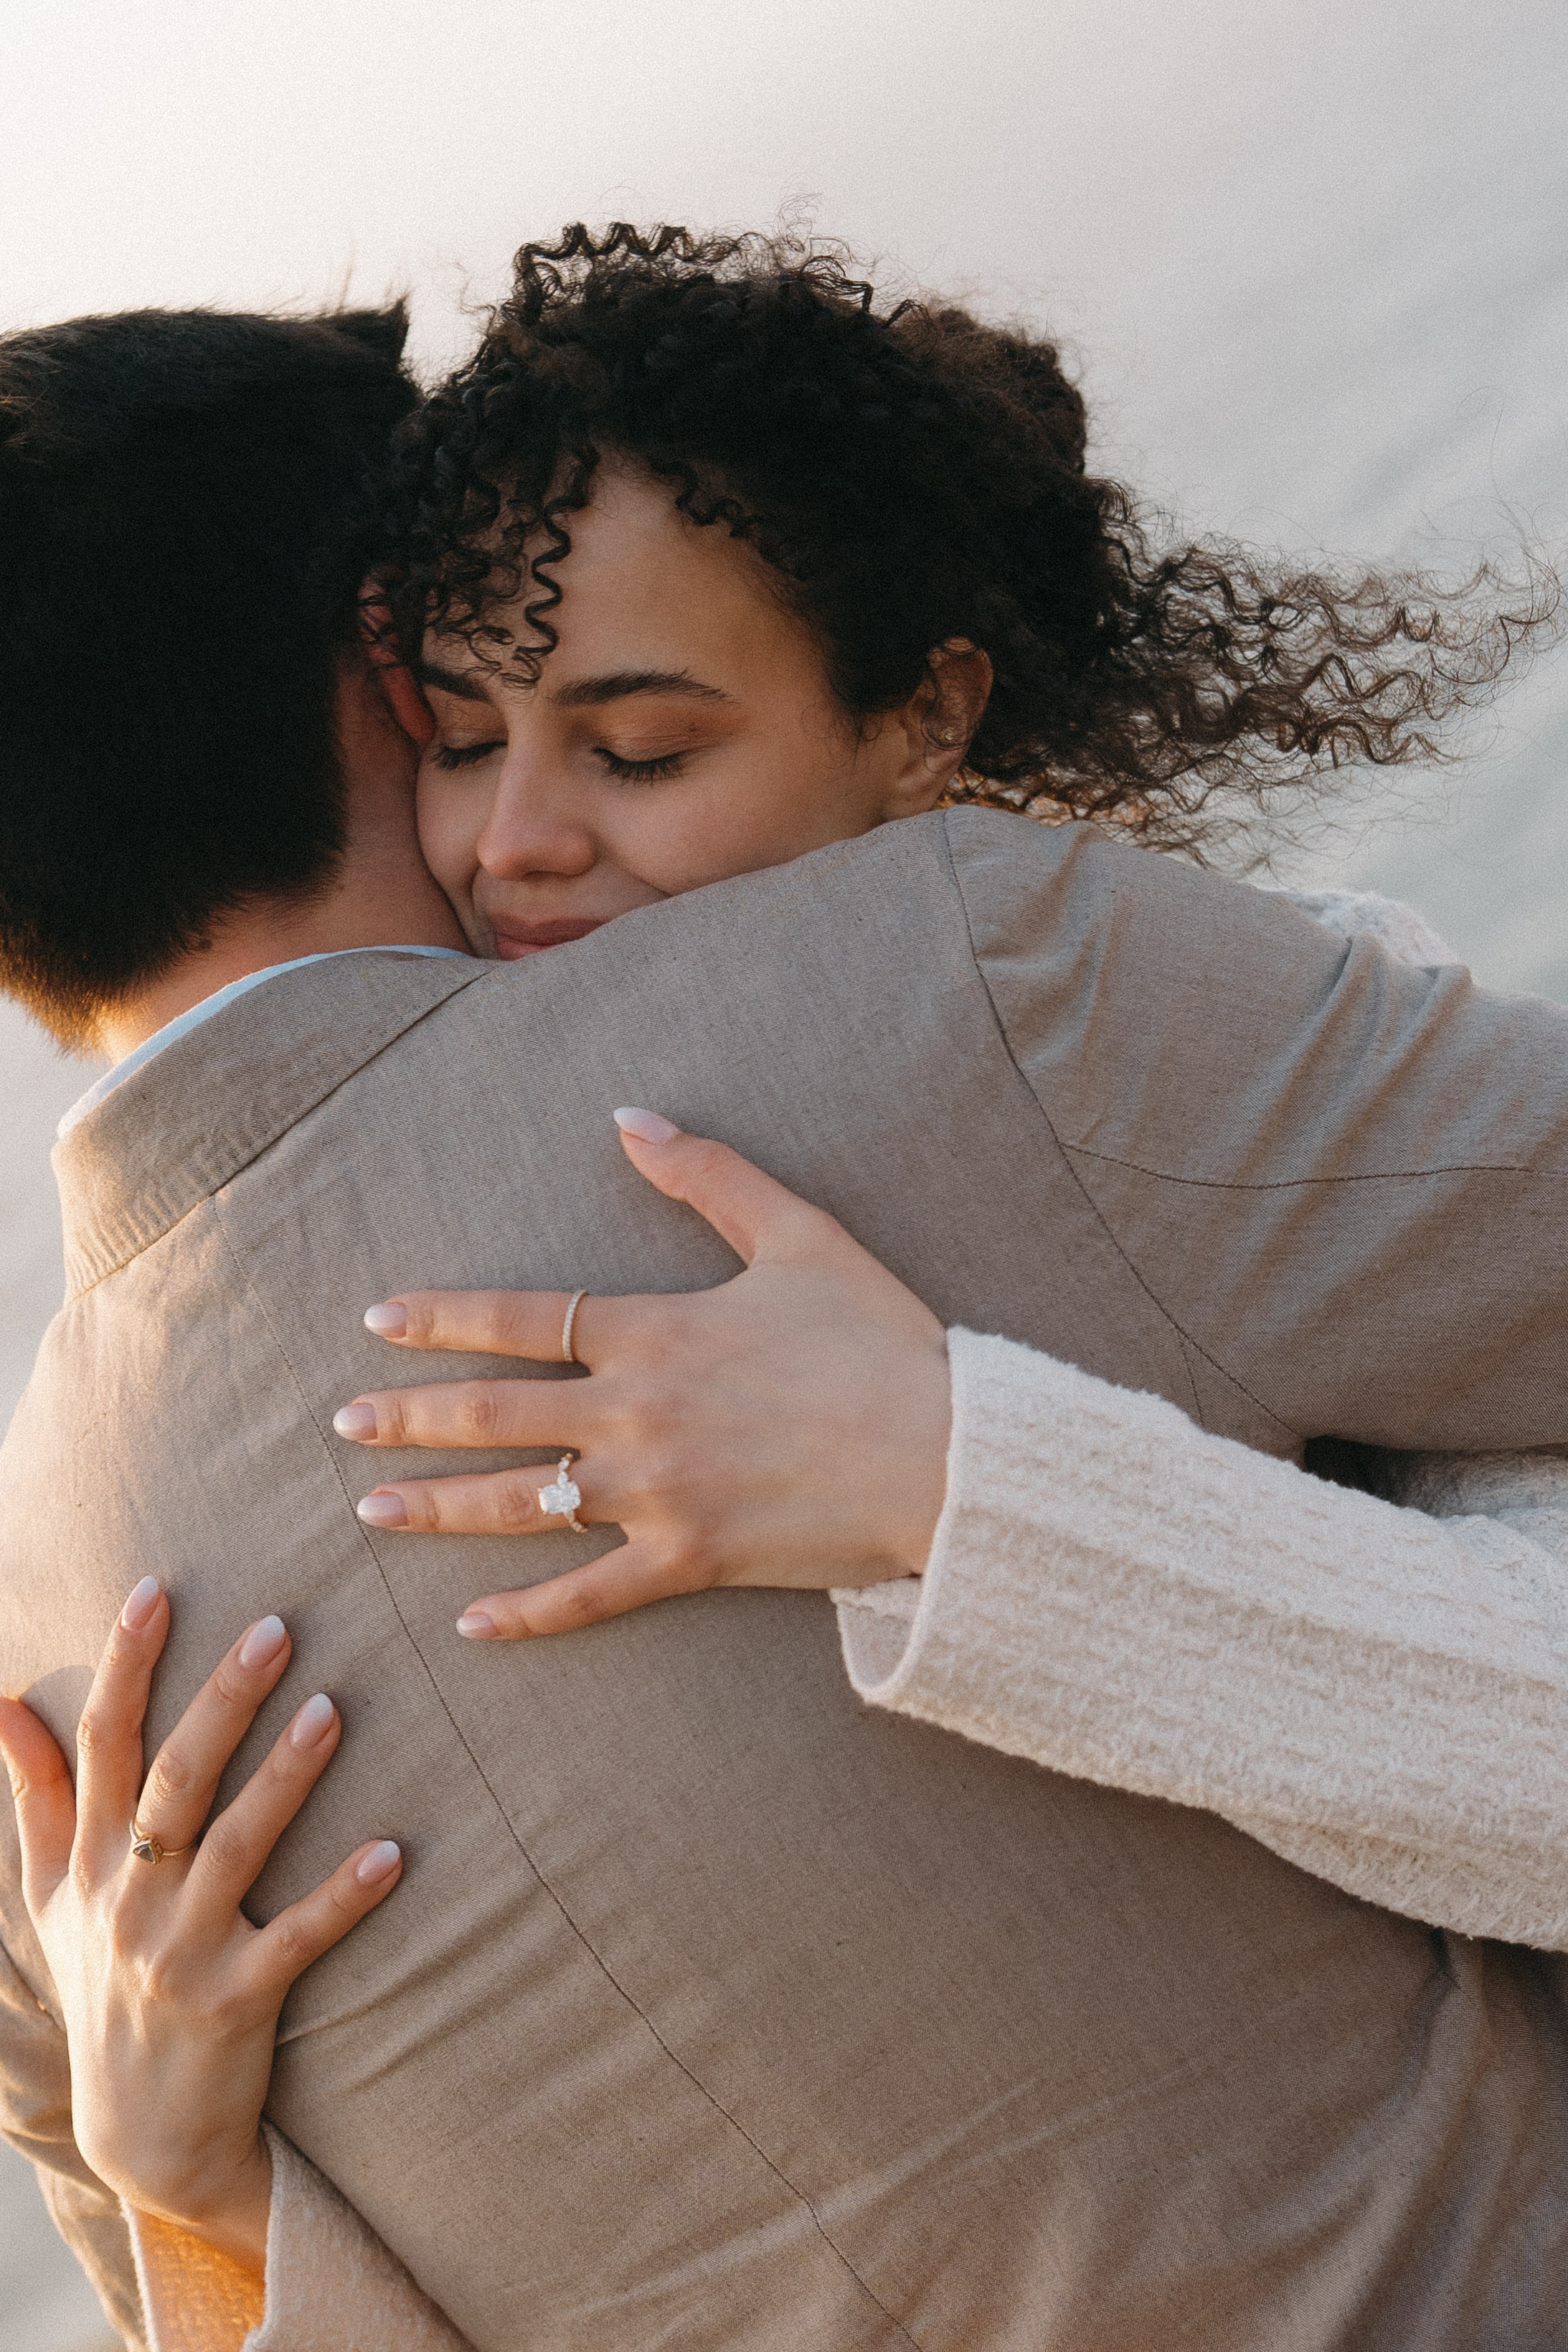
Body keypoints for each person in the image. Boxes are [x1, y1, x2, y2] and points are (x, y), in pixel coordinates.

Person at [4, 242, 1568, 2352]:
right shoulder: (944, 979)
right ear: (392, 657)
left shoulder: (39, 1744)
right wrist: (999, 1496)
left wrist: (186, 2203)